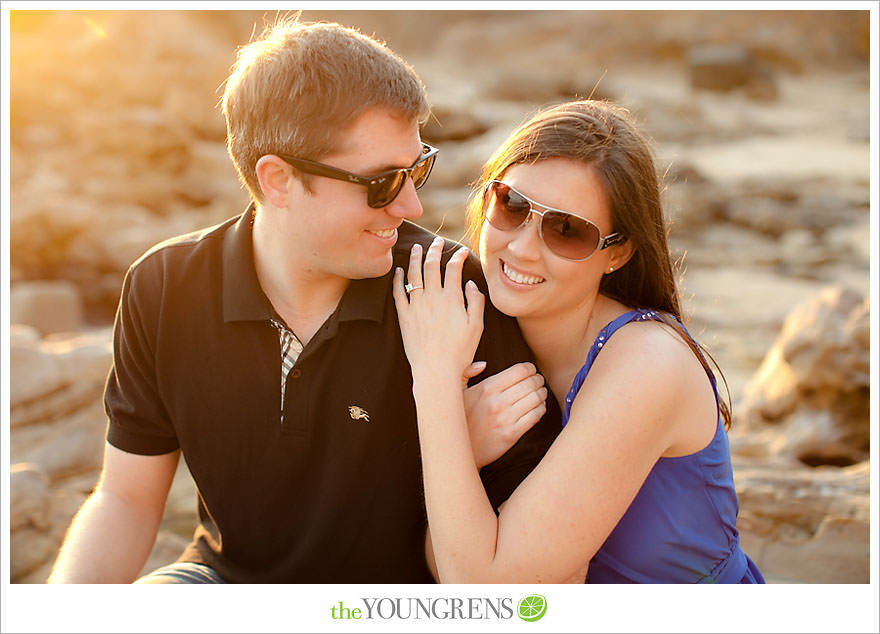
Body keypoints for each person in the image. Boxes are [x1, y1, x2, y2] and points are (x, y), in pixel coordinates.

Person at [47, 18, 559, 584]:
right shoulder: (163, 287)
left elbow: (504, 570)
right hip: (219, 583)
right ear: (279, 181)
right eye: (382, 183)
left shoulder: (453, 293)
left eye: (418, 169)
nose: (412, 206)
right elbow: (125, 501)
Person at [393, 99, 765, 583]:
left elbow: (483, 590)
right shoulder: (475, 329)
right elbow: (449, 560)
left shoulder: (646, 366)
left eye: (567, 231)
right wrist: (468, 447)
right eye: (511, 204)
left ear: (618, 253)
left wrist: (437, 385)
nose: (523, 248)